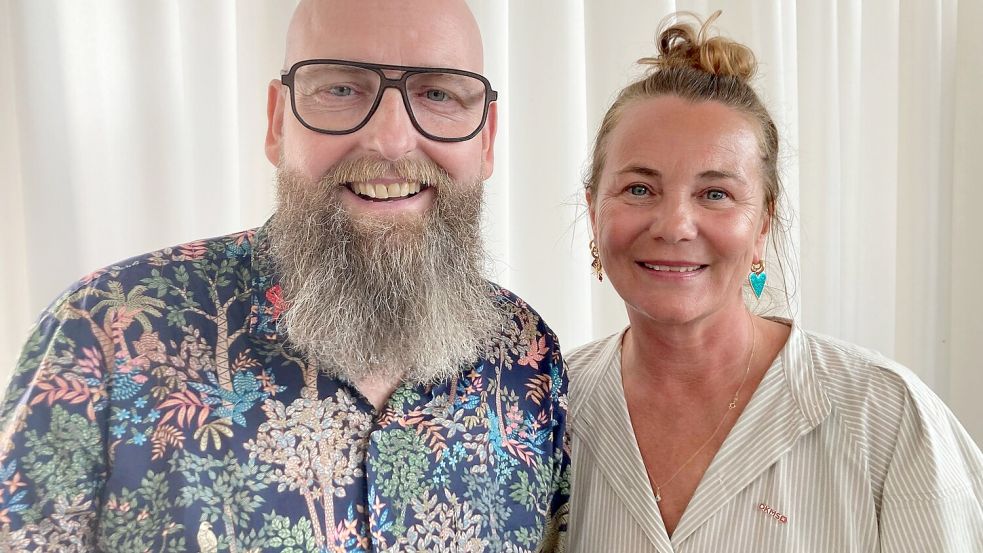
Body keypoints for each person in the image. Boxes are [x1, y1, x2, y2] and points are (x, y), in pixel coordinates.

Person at [0, 1, 570, 551]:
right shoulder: (107, 334)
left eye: (439, 93)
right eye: (342, 90)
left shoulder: (527, 356)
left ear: (487, 137)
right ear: (277, 122)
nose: (392, 140)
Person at [567, 11, 983, 552]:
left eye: (715, 193)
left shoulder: (887, 418)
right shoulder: (544, 410)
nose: (673, 226)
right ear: (593, 211)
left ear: (763, 224)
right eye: (640, 190)